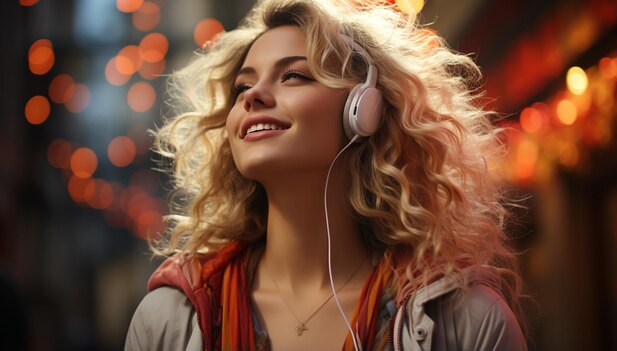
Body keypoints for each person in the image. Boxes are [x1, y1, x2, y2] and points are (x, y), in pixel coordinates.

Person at [125, 0, 528, 349]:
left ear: (363, 111)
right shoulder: (169, 320)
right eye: (242, 87)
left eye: (294, 75)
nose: (252, 96)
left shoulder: (468, 321)